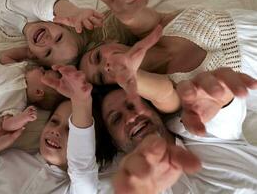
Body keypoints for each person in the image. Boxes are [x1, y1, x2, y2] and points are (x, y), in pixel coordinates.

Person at [0, 65, 105, 193]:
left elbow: (81, 165)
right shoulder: (9, 159)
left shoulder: (77, 189)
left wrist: (81, 102)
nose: (56, 131)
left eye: (71, 130)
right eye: (54, 121)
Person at [79, 0, 257, 112]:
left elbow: (134, 18)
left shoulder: (158, 26)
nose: (105, 66)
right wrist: (131, 77)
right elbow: (163, 94)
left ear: (109, 42)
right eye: (101, 77)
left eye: (98, 57)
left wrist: (125, 13)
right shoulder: (167, 90)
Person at [96, 68, 257, 194]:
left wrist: (221, 95)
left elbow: (222, 109)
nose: (131, 117)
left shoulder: (200, 127)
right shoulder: (135, 187)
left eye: (132, 106)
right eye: (116, 119)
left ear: (152, 109)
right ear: (113, 142)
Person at [0, 0, 105, 67]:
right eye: (59, 38)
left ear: (33, 55)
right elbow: (49, 5)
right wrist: (74, 13)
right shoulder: (40, 10)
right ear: (60, 24)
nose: (48, 41)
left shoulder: (8, 29)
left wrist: (28, 53)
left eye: (48, 53)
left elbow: (6, 56)